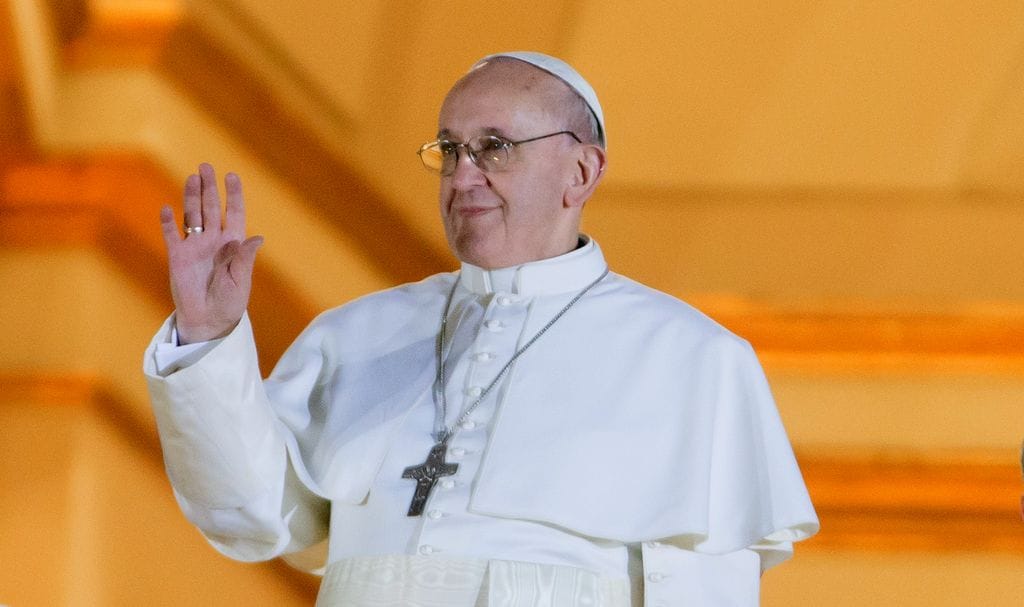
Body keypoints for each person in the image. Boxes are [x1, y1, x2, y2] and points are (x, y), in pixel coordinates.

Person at [144, 52, 818, 606]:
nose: (462, 175)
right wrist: (208, 337)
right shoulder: (356, 333)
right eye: (450, 149)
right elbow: (250, 514)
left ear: (582, 172)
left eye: (494, 148)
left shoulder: (692, 359)